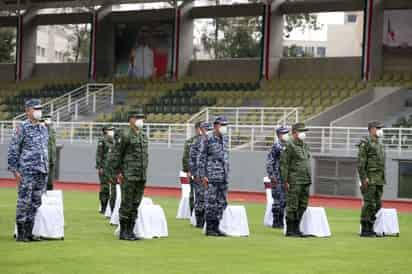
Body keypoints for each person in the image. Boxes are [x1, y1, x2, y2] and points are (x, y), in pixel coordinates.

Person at [8, 99, 49, 242]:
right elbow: (13, 149)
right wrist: (14, 170)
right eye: (35, 108)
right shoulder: (22, 128)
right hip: (26, 170)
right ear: (27, 111)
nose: (39, 111)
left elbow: (44, 151)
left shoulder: (43, 128)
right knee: (24, 201)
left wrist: (46, 168)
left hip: (41, 170)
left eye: (40, 108)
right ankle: (20, 233)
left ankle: (29, 232)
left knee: (36, 201)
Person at [112, 111, 148, 241]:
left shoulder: (143, 135)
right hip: (128, 174)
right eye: (138, 118)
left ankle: (131, 231)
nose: (141, 120)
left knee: (135, 203)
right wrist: (118, 172)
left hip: (141, 175)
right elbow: (117, 154)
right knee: (127, 203)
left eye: (142, 118)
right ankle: (123, 232)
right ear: (131, 120)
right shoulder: (125, 134)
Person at [199, 116, 230, 237]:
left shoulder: (225, 139)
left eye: (225, 125)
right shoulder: (208, 137)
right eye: (223, 125)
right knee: (211, 202)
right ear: (216, 126)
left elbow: (226, 157)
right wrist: (203, 175)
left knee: (222, 202)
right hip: (211, 175)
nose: (225, 127)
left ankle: (216, 226)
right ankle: (210, 228)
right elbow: (201, 158)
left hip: (223, 175)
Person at [280, 123, 311, 237]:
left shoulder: (305, 145)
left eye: (304, 131)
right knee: (292, 205)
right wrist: (285, 181)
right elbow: (284, 164)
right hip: (294, 180)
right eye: (301, 131)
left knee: (302, 205)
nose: (304, 133)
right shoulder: (289, 145)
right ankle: (290, 230)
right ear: (294, 132)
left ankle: (297, 228)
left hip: (305, 180)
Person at [358, 121, 386, 237]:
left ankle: (371, 226)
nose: (380, 130)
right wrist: (364, 178)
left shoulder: (379, 144)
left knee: (378, 204)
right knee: (369, 204)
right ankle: (365, 228)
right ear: (371, 129)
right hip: (370, 179)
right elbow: (361, 163)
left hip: (379, 179)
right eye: (378, 128)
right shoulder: (365, 143)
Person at [266, 126, 290, 228]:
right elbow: (269, 162)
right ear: (279, 135)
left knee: (284, 201)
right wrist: (272, 177)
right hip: (277, 177)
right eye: (284, 133)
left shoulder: (288, 146)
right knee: (277, 201)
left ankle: (281, 221)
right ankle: (277, 222)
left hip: (285, 178)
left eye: (287, 133)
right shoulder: (276, 146)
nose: (286, 135)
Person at [189, 121, 210, 228]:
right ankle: (199, 221)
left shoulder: (211, 141)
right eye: (206, 129)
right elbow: (192, 158)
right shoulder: (197, 141)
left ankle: (207, 220)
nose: (208, 131)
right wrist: (194, 174)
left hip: (210, 174)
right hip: (199, 175)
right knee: (200, 198)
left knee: (209, 198)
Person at [95, 126, 114, 214]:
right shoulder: (102, 140)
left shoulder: (114, 140)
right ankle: (103, 207)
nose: (112, 131)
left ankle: (111, 208)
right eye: (110, 130)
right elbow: (99, 154)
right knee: (105, 188)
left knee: (112, 188)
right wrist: (100, 167)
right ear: (105, 131)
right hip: (104, 167)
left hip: (112, 168)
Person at [182, 123, 200, 214]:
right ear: (197, 129)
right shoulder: (190, 142)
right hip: (194, 172)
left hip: (205, 172)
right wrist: (188, 170)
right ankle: (193, 213)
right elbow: (186, 157)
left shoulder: (208, 141)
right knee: (193, 193)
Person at [43, 114, 57, 191]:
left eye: (49, 119)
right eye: (47, 119)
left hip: (52, 155)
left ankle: (50, 187)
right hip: (45, 156)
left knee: (51, 175)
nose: (49, 120)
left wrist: (54, 156)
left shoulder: (53, 130)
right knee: (44, 173)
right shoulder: (42, 129)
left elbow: (53, 143)